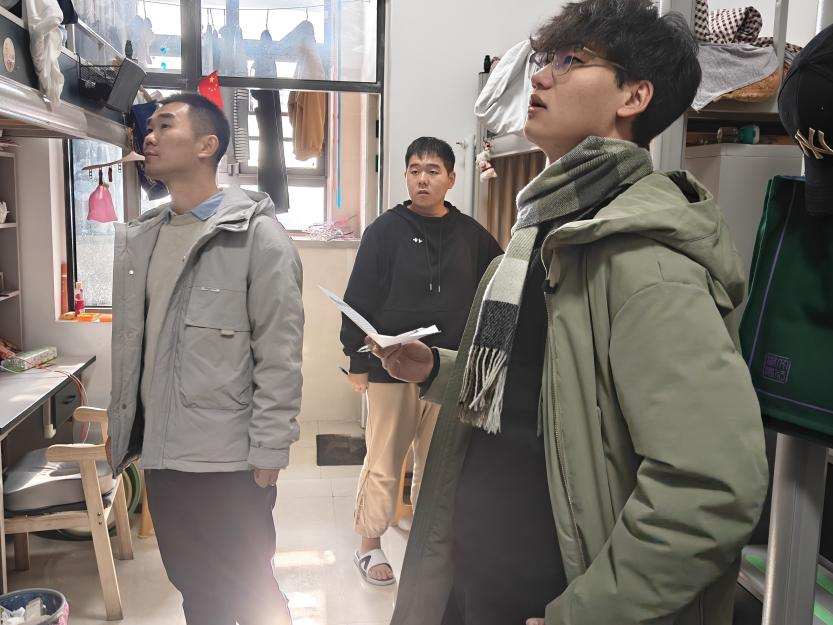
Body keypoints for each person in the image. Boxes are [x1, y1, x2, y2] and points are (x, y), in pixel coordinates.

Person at [374, 2, 770, 624]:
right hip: (478, 573)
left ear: (634, 95)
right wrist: (436, 369)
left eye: (570, 60)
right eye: (544, 59)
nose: (539, 76)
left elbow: (712, 483)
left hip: (551, 592)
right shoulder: (540, 233)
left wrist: (587, 613)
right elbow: (539, 389)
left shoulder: (644, 258)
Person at [106, 92, 303, 625]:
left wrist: (270, 449)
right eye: (149, 127)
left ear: (206, 145)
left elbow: (280, 354)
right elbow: (137, 348)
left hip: (229, 462)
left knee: (252, 586)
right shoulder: (144, 238)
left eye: (165, 125)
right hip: (164, 457)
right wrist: (122, 428)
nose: (149, 136)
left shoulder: (258, 238)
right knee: (195, 588)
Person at [341, 136, 502, 586]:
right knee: (384, 460)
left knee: (438, 464)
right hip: (389, 367)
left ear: (451, 178)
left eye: (433, 171)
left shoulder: (472, 235)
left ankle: (426, 537)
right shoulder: (385, 230)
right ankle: (369, 545)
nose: (422, 179)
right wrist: (356, 360)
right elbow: (358, 298)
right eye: (414, 170)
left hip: (447, 368)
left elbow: (499, 285)